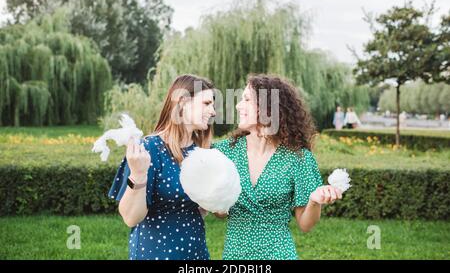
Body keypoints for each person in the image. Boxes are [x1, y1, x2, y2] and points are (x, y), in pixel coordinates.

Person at [212, 74, 342, 260]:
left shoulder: (298, 158)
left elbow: (306, 225)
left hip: (278, 254)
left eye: (247, 99)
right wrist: (216, 200)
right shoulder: (223, 152)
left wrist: (313, 201)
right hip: (235, 256)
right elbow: (220, 213)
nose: (239, 106)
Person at [108, 74, 216, 260]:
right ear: (182, 103)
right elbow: (131, 218)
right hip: (155, 253)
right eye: (206, 104)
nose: (213, 112)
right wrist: (139, 174)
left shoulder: (203, 151)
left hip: (196, 253)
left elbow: (202, 208)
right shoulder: (148, 149)